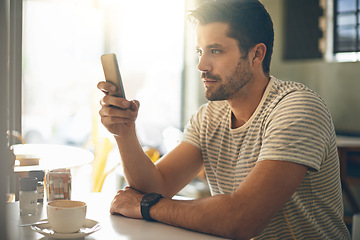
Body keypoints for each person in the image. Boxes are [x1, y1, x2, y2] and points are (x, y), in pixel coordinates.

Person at [97, 0, 351, 239]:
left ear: (256, 55)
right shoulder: (209, 117)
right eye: (200, 51)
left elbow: (241, 218)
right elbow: (155, 187)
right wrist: (124, 132)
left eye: (215, 51)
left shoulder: (297, 107)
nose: (201, 65)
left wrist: (147, 207)